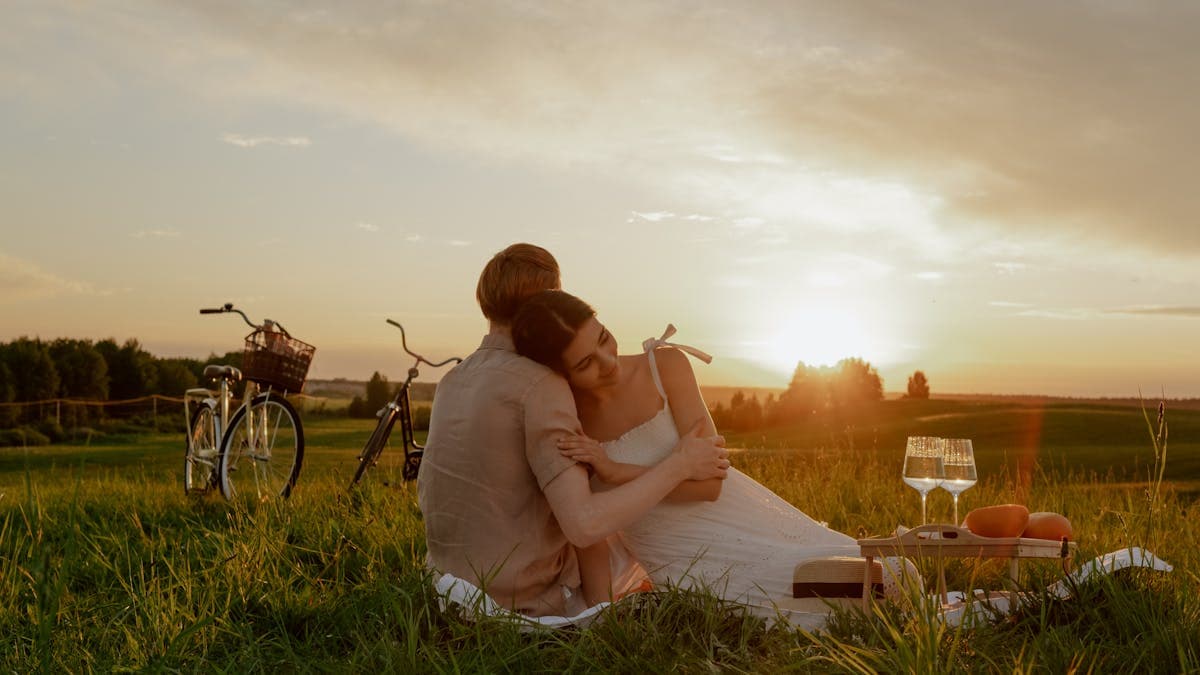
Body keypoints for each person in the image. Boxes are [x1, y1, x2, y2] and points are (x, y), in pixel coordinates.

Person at [511, 289, 909, 624]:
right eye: (585, 364)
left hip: (744, 522)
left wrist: (614, 471)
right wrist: (599, 616)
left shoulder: (665, 366)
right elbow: (591, 533)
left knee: (898, 576)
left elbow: (709, 485)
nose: (608, 362)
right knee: (851, 599)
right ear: (559, 374)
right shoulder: (568, 419)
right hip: (681, 563)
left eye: (603, 338)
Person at [418, 243, 730, 619]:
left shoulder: (452, 380)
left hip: (448, 588)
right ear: (544, 304)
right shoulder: (539, 384)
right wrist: (678, 465)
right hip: (524, 600)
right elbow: (585, 525)